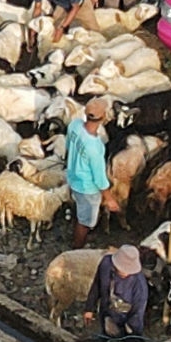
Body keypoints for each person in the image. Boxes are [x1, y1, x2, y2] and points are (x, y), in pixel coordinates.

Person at [64, 103, 111, 244]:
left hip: (72, 177)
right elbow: (99, 178)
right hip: (87, 188)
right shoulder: (95, 146)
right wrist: (109, 198)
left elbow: (68, 146)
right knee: (84, 222)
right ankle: (78, 247)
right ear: (103, 117)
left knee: (79, 210)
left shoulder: (74, 125)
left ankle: (76, 234)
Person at [88, 242, 147, 342]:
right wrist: (89, 308)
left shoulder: (139, 285)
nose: (125, 272)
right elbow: (97, 285)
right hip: (106, 313)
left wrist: (129, 335)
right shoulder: (106, 264)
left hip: (126, 324)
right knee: (105, 341)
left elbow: (137, 313)